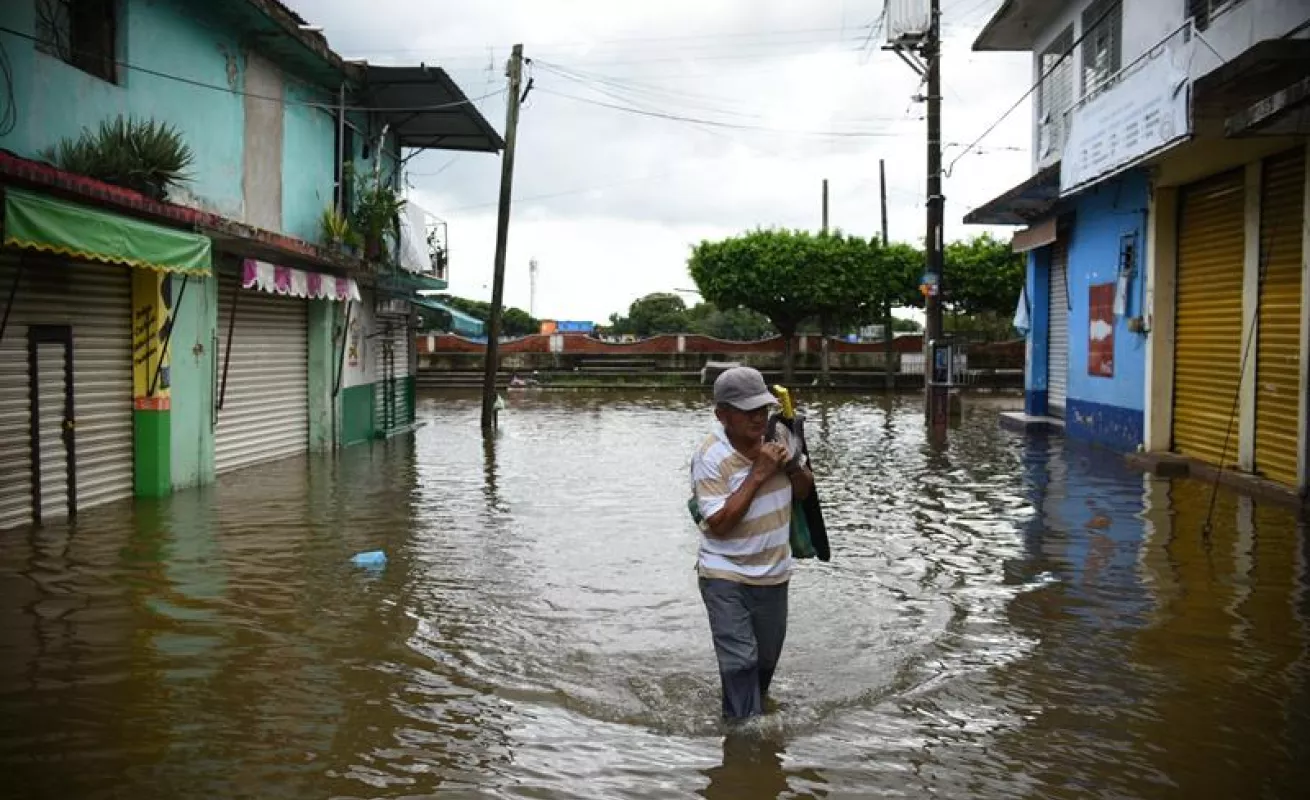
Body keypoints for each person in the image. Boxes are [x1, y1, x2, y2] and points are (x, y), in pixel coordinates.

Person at [690, 366, 814, 722]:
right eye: (747, 411)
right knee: (740, 661)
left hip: (774, 574)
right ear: (722, 415)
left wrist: (791, 465)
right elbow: (721, 525)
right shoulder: (710, 456)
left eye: (762, 408)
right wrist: (759, 473)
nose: (758, 418)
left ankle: (749, 715)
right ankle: (744, 743)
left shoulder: (781, 437)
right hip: (725, 574)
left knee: (764, 663)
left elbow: (804, 492)